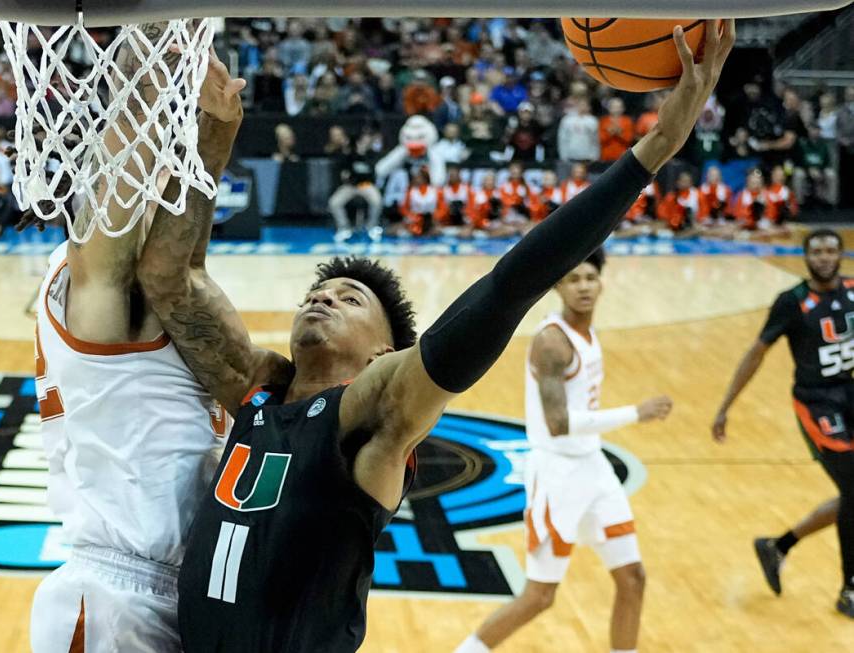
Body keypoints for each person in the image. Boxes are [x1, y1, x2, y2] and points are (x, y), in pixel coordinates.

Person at [134, 21, 734, 653]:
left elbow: (508, 289)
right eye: (319, 292)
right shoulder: (256, 393)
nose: (321, 297)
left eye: (350, 298)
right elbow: (171, 276)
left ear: (382, 356)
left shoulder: (370, 418)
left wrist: (656, 148)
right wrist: (215, 134)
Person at [27, 40, 244, 652]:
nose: (157, 193)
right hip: (115, 597)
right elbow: (120, 207)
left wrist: (215, 130)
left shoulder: (163, 297)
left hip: (182, 591)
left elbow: (185, 256)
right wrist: (146, 78)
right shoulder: (98, 295)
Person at [456, 249, 673, 653]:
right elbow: (559, 424)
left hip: (593, 467)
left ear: (601, 282)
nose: (584, 286)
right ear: (558, 286)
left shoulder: (589, 334)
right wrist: (634, 413)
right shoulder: (551, 342)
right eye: (574, 279)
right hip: (556, 473)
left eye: (590, 277)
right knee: (540, 596)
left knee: (633, 577)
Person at [712, 228, 854, 618]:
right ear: (806, 257)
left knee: (852, 494)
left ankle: (778, 546)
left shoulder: (853, 290)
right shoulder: (791, 302)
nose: (824, 257)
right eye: (817, 251)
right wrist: (726, 405)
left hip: (851, 393)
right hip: (818, 403)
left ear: (841, 254)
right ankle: (849, 590)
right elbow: (756, 354)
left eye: (831, 250)